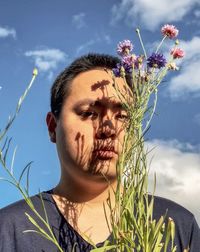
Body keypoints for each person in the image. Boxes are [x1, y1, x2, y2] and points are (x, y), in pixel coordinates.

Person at [0, 53, 199, 252]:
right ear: (53, 127)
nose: (108, 128)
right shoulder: (9, 230)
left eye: (122, 116)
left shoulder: (176, 225)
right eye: (89, 113)